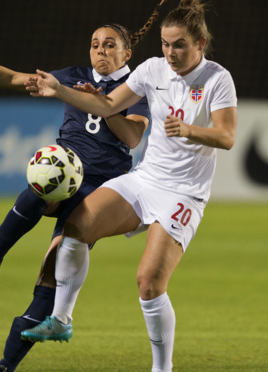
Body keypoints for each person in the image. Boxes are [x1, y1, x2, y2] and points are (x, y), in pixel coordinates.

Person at [0, 2, 166, 370]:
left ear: (127, 52)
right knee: (42, 183)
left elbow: (134, 138)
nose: (100, 50)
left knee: (50, 275)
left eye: (109, 44)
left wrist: (102, 105)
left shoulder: (135, 85)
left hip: (103, 190)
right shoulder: (71, 75)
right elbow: (12, 78)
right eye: (95, 43)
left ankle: (5, 365)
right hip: (68, 175)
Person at [20, 1, 238, 371]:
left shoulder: (218, 79)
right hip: (146, 179)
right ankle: (61, 320)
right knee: (77, 224)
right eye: (166, 44)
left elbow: (227, 136)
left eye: (180, 45)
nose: (170, 53)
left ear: (200, 43)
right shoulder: (152, 69)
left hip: (184, 193)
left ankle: (161, 368)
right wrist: (60, 90)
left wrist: (188, 130)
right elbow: (106, 106)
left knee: (149, 283)